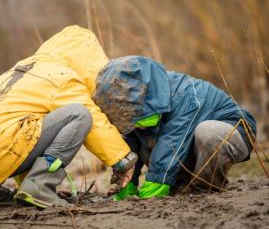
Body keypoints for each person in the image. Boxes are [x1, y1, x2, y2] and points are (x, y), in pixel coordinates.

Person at [0, 26, 137, 209]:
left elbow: (24, 137)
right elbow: (95, 121)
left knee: (19, 126)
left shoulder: (23, 69)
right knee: (80, 115)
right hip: (2, 147)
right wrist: (122, 159)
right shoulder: (62, 77)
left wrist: (24, 184)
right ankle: (40, 185)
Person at [93, 56, 257, 200]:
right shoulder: (136, 107)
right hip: (190, 143)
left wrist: (156, 184)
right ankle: (182, 184)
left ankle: (205, 188)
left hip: (231, 131)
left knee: (208, 132)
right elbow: (129, 146)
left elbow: (171, 141)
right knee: (145, 141)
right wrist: (126, 183)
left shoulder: (186, 94)